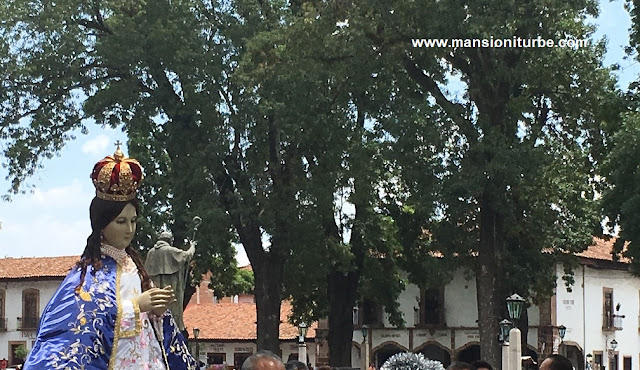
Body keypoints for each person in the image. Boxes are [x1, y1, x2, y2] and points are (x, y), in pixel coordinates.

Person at [23, 145, 197, 369]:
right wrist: (136, 306)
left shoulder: (136, 267)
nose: (129, 229)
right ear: (102, 224)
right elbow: (81, 325)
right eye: (121, 222)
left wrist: (157, 312)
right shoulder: (89, 275)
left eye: (133, 221)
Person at [145, 230, 196, 332]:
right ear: (170, 240)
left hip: (154, 291)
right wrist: (192, 246)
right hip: (171, 289)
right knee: (172, 312)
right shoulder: (170, 250)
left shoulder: (151, 253)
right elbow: (187, 255)